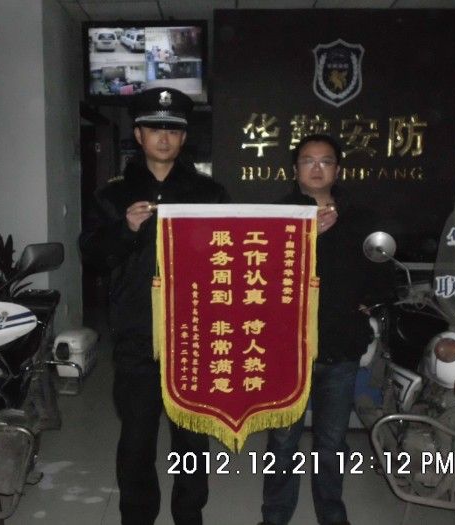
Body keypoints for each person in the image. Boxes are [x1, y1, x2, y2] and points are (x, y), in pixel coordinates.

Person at [79, 88, 229, 525]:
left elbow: (234, 257)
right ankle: (137, 516)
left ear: (184, 138)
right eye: (155, 128)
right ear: (139, 135)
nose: (164, 137)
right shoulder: (113, 196)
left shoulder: (210, 194)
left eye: (173, 130)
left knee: (193, 441)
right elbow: (92, 255)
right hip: (137, 335)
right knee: (137, 440)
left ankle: (189, 515)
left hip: (195, 336)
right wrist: (125, 229)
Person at [259, 134, 388, 525]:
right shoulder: (275, 216)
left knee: (332, 442)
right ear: (295, 169)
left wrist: (369, 300)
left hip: (340, 345)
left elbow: (380, 274)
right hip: (287, 349)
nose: (316, 168)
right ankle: (275, 516)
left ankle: (332, 514)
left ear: (337, 169)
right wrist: (305, 235)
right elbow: (260, 274)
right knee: (283, 441)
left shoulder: (360, 219)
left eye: (325, 161)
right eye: (308, 161)